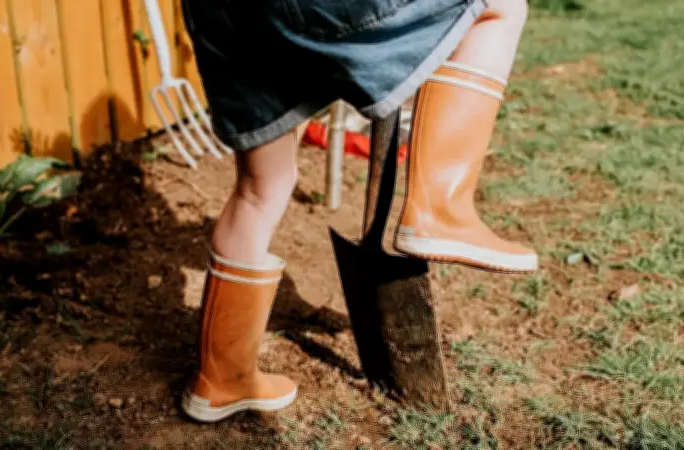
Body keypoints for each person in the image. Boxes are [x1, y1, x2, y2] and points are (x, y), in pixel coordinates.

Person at [180, 0, 536, 422]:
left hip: (220, 15)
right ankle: (442, 211)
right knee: (499, 6)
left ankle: (221, 381)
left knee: (261, 188)